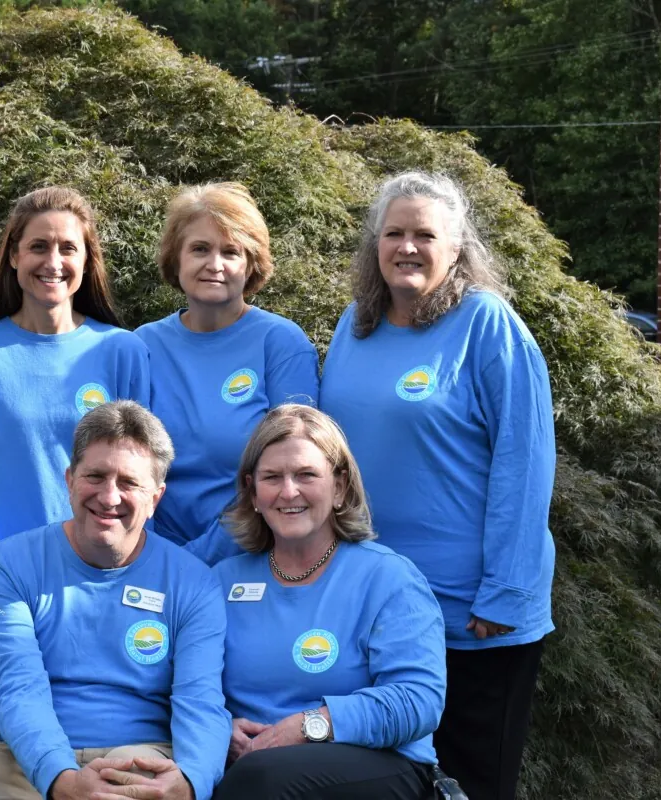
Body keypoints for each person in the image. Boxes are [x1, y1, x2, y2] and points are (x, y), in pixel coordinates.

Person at [318, 171, 556, 800]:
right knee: (390, 782)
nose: (408, 247)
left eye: (426, 234)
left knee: (470, 783)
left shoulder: (488, 325)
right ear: (375, 246)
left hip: (470, 612)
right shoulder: (355, 325)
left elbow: (526, 463)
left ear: (457, 248)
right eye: (393, 233)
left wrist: (505, 592)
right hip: (372, 603)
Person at [0, 401, 230, 800]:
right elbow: (17, 689)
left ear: (156, 497)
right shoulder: (8, 565)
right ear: (69, 480)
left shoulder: (193, 583)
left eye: (129, 482)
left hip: (143, 758)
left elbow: (200, 701)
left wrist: (190, 781)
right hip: (17, 758)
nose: (109, 496)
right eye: (95, 476)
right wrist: (62, 779)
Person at [212, 405, 445, 799]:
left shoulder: (389, 578)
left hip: (376, 762)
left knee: (262, 780)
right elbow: (183, 684)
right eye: (272, 477)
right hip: (249, 766)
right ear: (252, 491)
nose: (289, 491)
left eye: (306, 475)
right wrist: (218, 727)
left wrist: (311, 725)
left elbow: (418, 700)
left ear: (339, 486)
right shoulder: (222, 581)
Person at [0, 187, 150, 543]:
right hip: (6, 567)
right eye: (38, 247)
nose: (53, 262)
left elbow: (142, 478)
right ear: (15, 256)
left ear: (86, 260)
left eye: (68, 248)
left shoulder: (122, 351)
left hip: (102, 567)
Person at [135, 183, 318, 551]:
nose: (214, 264)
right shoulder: (141, 345)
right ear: (176, 258)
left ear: (251, 264)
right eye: (200, 249)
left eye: (231, 252)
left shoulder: (281, 343)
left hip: (252, 551)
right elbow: (129, 463)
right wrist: (147, 554)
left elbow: (292, 471)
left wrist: (205, 554)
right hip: (151, 555)